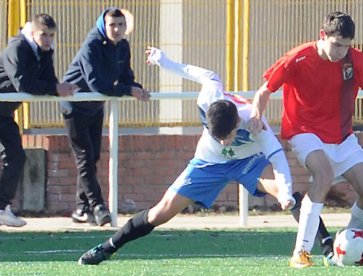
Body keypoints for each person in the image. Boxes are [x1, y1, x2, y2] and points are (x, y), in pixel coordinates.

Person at [76, 46, 299, 265]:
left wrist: (286, 192)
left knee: (288, 194)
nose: (223, 142)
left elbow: (278, 157)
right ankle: (106, 248)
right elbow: (205, 75)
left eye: (228, 136)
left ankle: (323, 248)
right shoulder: (207, 99)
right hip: (208, 163)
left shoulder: (254, 122)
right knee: (159, 214)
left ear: (237, 123)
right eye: (218, 137)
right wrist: (164, 62)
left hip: (247, 161)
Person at [248, 11, 363, 268]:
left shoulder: (355, 60)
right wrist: (257, 116)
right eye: (337, 45)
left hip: (343, 138)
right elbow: (265, 90)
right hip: (304, 132)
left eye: (347, 47)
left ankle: (348, 245)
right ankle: (301, 252)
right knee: (323, 174)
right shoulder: (298, 57)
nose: (341, 52)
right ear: (322, 35)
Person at [62, 7, 150, 227]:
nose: (117, 29)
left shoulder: (123, 46)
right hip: (75, 106)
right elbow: (97, 84)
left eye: (121, 25)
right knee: (84, 157)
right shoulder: (91, 45)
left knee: (93, 158)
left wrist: (138, 88)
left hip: (95, 107)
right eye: (113, 25)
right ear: (103, 25)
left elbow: (126, 76)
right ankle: (98, 206)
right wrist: (128, 90)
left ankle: (81, 208)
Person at [0, 14, 76, 227]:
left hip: (3, 114)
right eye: (44, 35)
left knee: (16, 156)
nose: (48, 40)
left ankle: (0, 207)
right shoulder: (16, 48)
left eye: (52, 35)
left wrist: (61, 87)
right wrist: (54, 89)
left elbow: (49, 80)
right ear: (33, 33)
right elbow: (22, 85)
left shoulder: (45, 51)